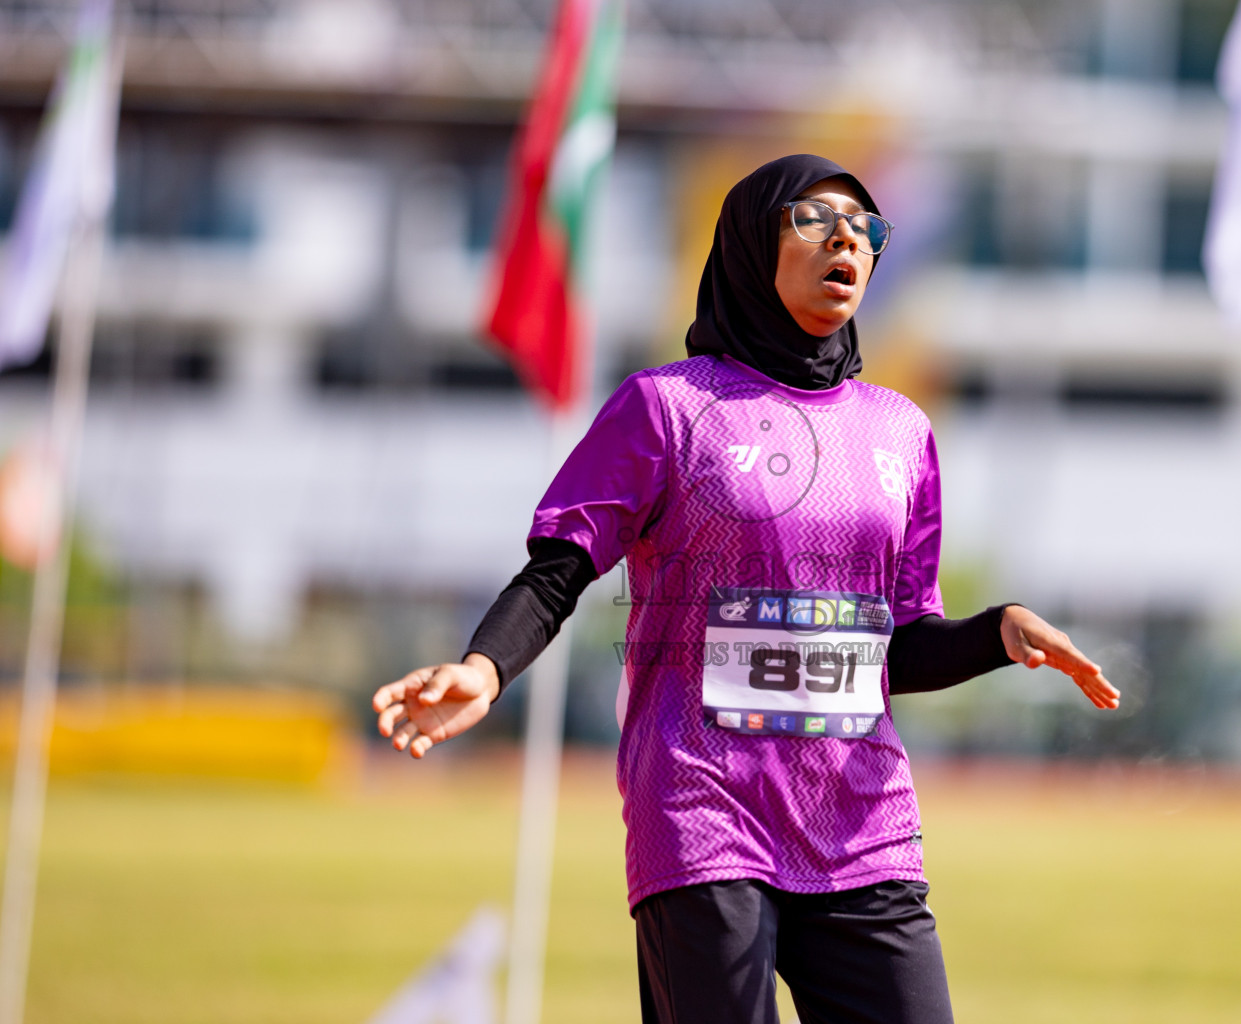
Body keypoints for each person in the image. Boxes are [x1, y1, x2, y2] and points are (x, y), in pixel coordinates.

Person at [372, 154, 1119, 1024]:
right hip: (703, 810)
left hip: (860, 822)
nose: (847, 238)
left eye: (866, 229)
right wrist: (484, 667)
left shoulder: (902, 431)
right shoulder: (668, 409)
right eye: (813, 218)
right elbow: (559, 569)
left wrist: (998, 631)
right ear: (748, 240)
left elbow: (895, 650)